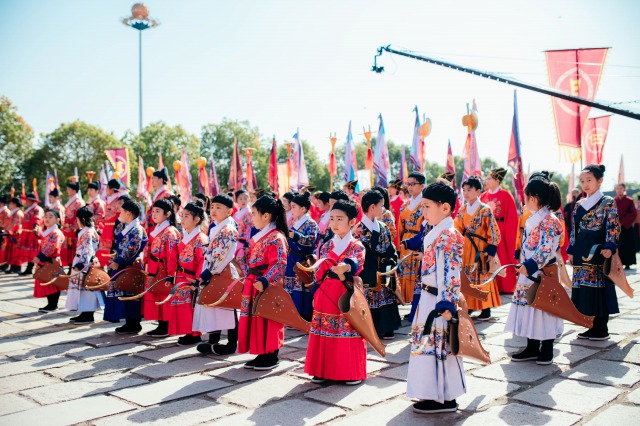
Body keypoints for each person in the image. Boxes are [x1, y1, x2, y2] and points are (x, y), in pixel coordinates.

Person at [407, 181, 465, 414]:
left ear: (446, 208)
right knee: (428, 346)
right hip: (429, 299)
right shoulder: (436, 233)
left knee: (441, 347)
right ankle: (432, 393)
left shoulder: (449, 235)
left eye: (427, 206)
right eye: (422, 206)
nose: (424, 211)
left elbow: (451, 273)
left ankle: (445, 398)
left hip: (440, 301)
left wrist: (447, 303)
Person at [304, 199, 366, 385]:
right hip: (325, 292)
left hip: (345, 293)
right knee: (323, 330)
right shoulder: (325, 246)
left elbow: (357, 262)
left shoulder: (356, 245)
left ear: (352, 222)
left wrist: (347, 266)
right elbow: (319, 273)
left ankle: (349, 372)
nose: (335, 223)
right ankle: (322, 370)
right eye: (332, 218)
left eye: (340, 219)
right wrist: (315, 292)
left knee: (346, 330)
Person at [505, 172, 564, 364]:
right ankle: (531, 347)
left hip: (542, 272)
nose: (524, 200)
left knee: (545, 310)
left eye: (526, 196)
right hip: (529, 272)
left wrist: (529, 266)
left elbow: (546, 249)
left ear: (534, 198)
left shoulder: (550, 220)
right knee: (530, 309)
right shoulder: (535, 218)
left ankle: (546, 349)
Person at [568, 165, 620, 340]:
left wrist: (610, 246)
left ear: (600, 180)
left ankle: (601, 327)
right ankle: (591, 325)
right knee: (584, 288)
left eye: (589, 180)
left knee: (599, 287)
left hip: (597, 249)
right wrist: (571, 249)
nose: (585, 184)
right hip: (582, 247)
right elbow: (574, 229)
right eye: (582, 181)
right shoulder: (579, 204)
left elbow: (612, 226)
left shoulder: (608, 202)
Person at [237, 195, 288, 370]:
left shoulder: (276, 237)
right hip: (255, 282)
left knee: (268, 318)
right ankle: (261, 352)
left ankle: (271, 354)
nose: (251, 217)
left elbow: (279, 263)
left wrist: (266, 280)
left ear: (266, 216)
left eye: (254, 213)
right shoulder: (261, 237)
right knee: (256, 318)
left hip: (267, 285)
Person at [194, 194, 240, 355]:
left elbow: (224, 254)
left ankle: (232, 343)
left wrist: (208, 272)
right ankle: (214, 340)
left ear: (229, 211)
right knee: (213, 303)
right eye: (212, 207)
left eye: (218, 207)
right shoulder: (215, 226)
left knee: (227, 305)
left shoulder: (229, 229)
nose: (214, 210)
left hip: (223, 270)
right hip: (212, 269)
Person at [354, 190, 400, 340]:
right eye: (381, 205)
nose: (384, 209)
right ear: (372, 207)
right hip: (368, 269)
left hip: (383, 269)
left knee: (385, 294)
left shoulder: (383, 226)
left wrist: (391, 260)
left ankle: (387, 327)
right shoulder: (358, 230)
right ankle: (372, 328)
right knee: (370, 295)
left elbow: (390, 248)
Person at [454, 176, 501, 320]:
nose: (466, 193)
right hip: (466, 248)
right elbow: (457, 228)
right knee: (467, 277)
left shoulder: (485, 210)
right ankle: (469, 305)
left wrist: (491, 250)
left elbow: (493, 230)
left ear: (478, 191)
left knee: (482, 276)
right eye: (464, 190)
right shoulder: (462, 210)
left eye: (470, 190)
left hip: (481, 248)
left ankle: (486, 309)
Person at [104, 200, 148, 334]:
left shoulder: (137, 229)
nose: (120, 214)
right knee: (125, 292)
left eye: (122, 211)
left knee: (131, 292)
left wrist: (119, 260)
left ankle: (134, 323)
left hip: (130, 265)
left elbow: (132, 248)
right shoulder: (130, 227)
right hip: (124, 265)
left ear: (128, 213)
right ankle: (129, 322)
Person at [168, 201, 208, 345]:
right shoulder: (183, 236)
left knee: (191, 306)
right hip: (180, 275)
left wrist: (198, 280)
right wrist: (171, 274)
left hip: (191, 278)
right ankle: (187, 331)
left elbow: (202, 261)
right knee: (182, 307)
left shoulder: (200, 239)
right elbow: (173, 256)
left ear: (196, 219)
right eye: (182, 216)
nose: (182, 219)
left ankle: (195, 334)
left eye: (186, 216)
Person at [142, 199, 180, 338]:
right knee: (155, 293)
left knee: (163, 294)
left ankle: (165, 325)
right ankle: (160, 323)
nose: (154, 214)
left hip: (163, 268)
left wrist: (171, 274)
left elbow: (172, 255)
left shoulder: (170, 232)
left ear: (168, 213)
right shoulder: (156, 229)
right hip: (153, 267)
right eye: (153, 211)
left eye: (157, 211)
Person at [480, 167, 518, 293]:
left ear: (497, 180)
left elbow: (512, 217)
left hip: (501, 229)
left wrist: (508, 235)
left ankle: (506, 286)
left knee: (503, 257)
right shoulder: (483, 196)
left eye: (490, 178)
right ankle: (490, 285)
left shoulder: (506, 196)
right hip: (486, 231)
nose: (487, 181)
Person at [284, 192, 319, 321]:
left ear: (303, 208)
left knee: (302, 286)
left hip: (303, 259)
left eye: (294, 206)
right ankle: (292, 315)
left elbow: (311, 241)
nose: (291, 209)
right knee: (290, 286)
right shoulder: (295, 222)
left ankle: (303, 317)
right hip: (291, 258)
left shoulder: (311, 224)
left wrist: (296, 236)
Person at [65, 206, 102, 324]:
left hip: (84, 263)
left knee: (86, 288)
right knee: (83, 289)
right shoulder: (90, 230)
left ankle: (88, 314)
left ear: (81, 219)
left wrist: (82, 265)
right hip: (85, 261)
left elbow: (88, 249)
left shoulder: (88, 232)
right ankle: (84, 313)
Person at [397, 172, 426, 305]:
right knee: (406, 273)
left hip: (418, 240)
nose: (410, 187)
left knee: (416, 273)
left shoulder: (425, 204)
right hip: (406, 241)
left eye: (413, 184)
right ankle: (409, 302)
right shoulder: (405, 204)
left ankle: (417, 304)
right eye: (408, 184)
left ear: (422, 186)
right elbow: (400, 227)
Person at [32, 209, 65, 312]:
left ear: (57, 220)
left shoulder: (56, 233)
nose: (47, 219)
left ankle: (53, 305)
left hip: (51, 261)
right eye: (45, 217)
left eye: (50, 217)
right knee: (46, 281)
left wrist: (40, 256)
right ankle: (50, 304)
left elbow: (52, 247)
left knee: (53, 283)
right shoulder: (47, 231)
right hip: (44, 261)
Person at [16, 192, 44, 275]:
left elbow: (37, 219)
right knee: (29, 252)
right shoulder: (29, 209)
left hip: (33, 233)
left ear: (31, 201)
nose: (26, 202)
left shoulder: (37, 209)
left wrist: (36, 227)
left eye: (27, 200)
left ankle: (41, 269)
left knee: (36, 252)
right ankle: (29, 268)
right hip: (27, 233)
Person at [96, 179, 122, 266]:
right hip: (106, 228)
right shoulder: (109, 200)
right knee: (103, 250)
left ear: (111, 189)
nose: (106, 189)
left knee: (112, 250)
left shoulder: (119, 200)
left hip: (114, 229)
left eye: (107, 187)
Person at [61, 181, 85, 268]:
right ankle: (69, 266)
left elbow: (80, 216)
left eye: (68, 189)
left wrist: (76, 227)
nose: (67, 191)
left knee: (74, 249)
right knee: (67, 249)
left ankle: (73, 267)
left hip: (74, 230)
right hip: (67, 229)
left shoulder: (79, 202)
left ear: (74, 190)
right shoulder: (71, 201)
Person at [614, 183, 637, 269]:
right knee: (618, 245)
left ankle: (628, 263)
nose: (619, 190)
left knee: (628, 245)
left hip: (626, 227)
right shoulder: (614, 201)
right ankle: (618, 263)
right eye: (617, 188)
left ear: (624, 190)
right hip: (616, 226)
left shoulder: (629, 200)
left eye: (621, 188)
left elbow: (633, 213)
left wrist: (622, 222)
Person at [145, 168, 173, 233]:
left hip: (162, 225)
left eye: (154, 178)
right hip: (154, 224)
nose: (152, 180)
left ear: (160, 179)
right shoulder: (158, 193)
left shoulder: (167, 194)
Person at [233, 189, 252, 275]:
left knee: (243, 264)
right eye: (240, 198)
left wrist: (248, 243)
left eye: (245, 198)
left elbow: (250, 229)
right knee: (236, 264)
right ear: (236, 200)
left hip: (245, 243)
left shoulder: (249, 213)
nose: (243, 201)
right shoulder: (236, 214)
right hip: (236, 242)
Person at [4, 197, 24, 274]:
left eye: (10, 203)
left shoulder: (18, 213)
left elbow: (15, 224)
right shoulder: (14, 212)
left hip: (16, 235)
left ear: (14, 204)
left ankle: (16, 268)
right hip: (12, 234)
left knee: (16, 252)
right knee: (12, 252)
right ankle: (12, 267)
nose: (9, 205)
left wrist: (7, 231)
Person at [388, 179, 404, 247]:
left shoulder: (401, 202)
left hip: (396, 228)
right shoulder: (387, 201)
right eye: (388, 187)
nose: (389, 189)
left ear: (397, 189)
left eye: (392, 187)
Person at [0, 196, 9, 271]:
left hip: (3, 233)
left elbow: (7, 223)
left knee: (3, 249)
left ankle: (4, 266)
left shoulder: (6, 212)